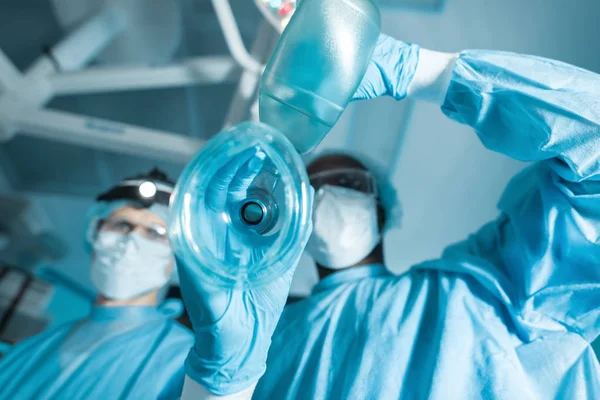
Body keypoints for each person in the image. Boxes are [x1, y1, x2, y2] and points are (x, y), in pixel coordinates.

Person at [179, 34, 600, 400]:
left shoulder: (484, 294)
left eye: (348, 183)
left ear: (382, 208)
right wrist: (222, 385)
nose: (326, 197)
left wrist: (423, 72)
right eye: (310, 191)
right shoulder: (263, 342)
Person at [0, 168, 193, 400]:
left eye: (154, 233)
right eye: (121, 225)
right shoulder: (32, 349)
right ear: (95, 235)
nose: (130, 242)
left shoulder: (186, 361)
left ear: (175, 260)